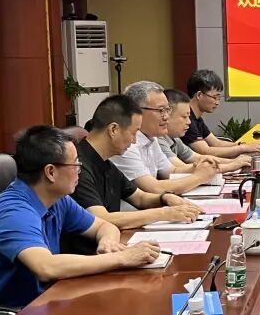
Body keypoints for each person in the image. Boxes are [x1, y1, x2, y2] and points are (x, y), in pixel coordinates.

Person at [0, 126, 161, 307]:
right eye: (76, 165)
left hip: (33, 307)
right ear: (50, 172)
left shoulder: (57, 199)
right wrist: (121, 258)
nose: (80, 171)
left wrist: (108, 242)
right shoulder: (15, 212)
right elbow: (46, 267)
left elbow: (104, 226)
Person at [64, 96, 206, 254]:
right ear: (113, 130)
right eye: (133, 133)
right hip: (89, 255)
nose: (134, 141)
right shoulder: (77, 167)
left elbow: (139, 197)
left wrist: (165, 198)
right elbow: (101, 218)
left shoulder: (105, 162)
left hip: (112, 247)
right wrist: (164, 213)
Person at [111, 80, 219, 195]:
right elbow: (154, 188)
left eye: (167, 110)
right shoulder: (126, 144)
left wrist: (197, 167)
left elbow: (171, 171)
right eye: (161, 110)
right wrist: (199, 177)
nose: (167, 117)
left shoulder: (151, 138)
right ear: (136, 111)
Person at [161, 89, 252, 173]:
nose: (189, 122)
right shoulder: (159, 141)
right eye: (184, 117)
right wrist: (233, 164)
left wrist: (234, 161)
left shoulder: (175, 139)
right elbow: (180, 169)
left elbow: (198, 157)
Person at [183, 69, 260, 158]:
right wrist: (242, 148)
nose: (217, 103)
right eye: (215, 97)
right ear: (199, 95)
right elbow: (205, 151)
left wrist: (243, 145)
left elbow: (216, 143)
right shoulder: (186, 119)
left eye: (219, 98)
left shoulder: (197, 118)